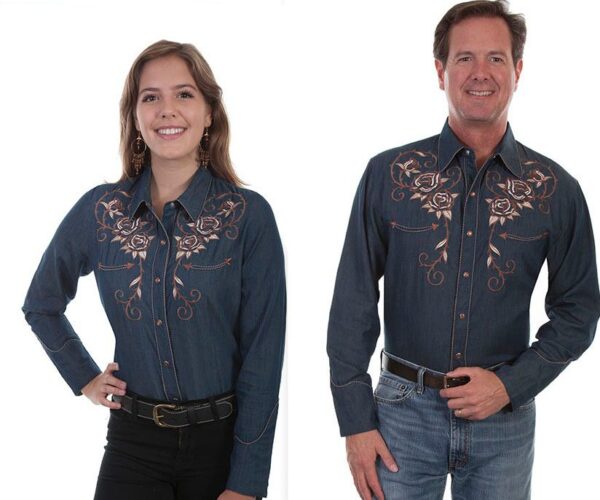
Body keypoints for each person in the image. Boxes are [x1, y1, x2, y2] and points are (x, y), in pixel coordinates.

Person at [326, 1, 600, 499]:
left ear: (518, 71)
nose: (480, 73)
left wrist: (511, 386)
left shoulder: (556, 190)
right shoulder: (388, 176)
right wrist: (354, 423)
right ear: (440, 71)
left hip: (504, 421)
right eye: (464, 58)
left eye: (496, 59)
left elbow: (579, 311)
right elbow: (352, 305)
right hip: (400, 418)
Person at [22, 40, 285, 500]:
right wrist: (83, 376)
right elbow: (41, 303)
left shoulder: (248, 216)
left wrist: (246, 482)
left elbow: (264, 358)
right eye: (151, 97)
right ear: (135, 116)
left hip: (220, 448)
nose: (167, 110)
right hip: (132, 445)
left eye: (184, 95)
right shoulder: (101, 211)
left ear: (209, 114)